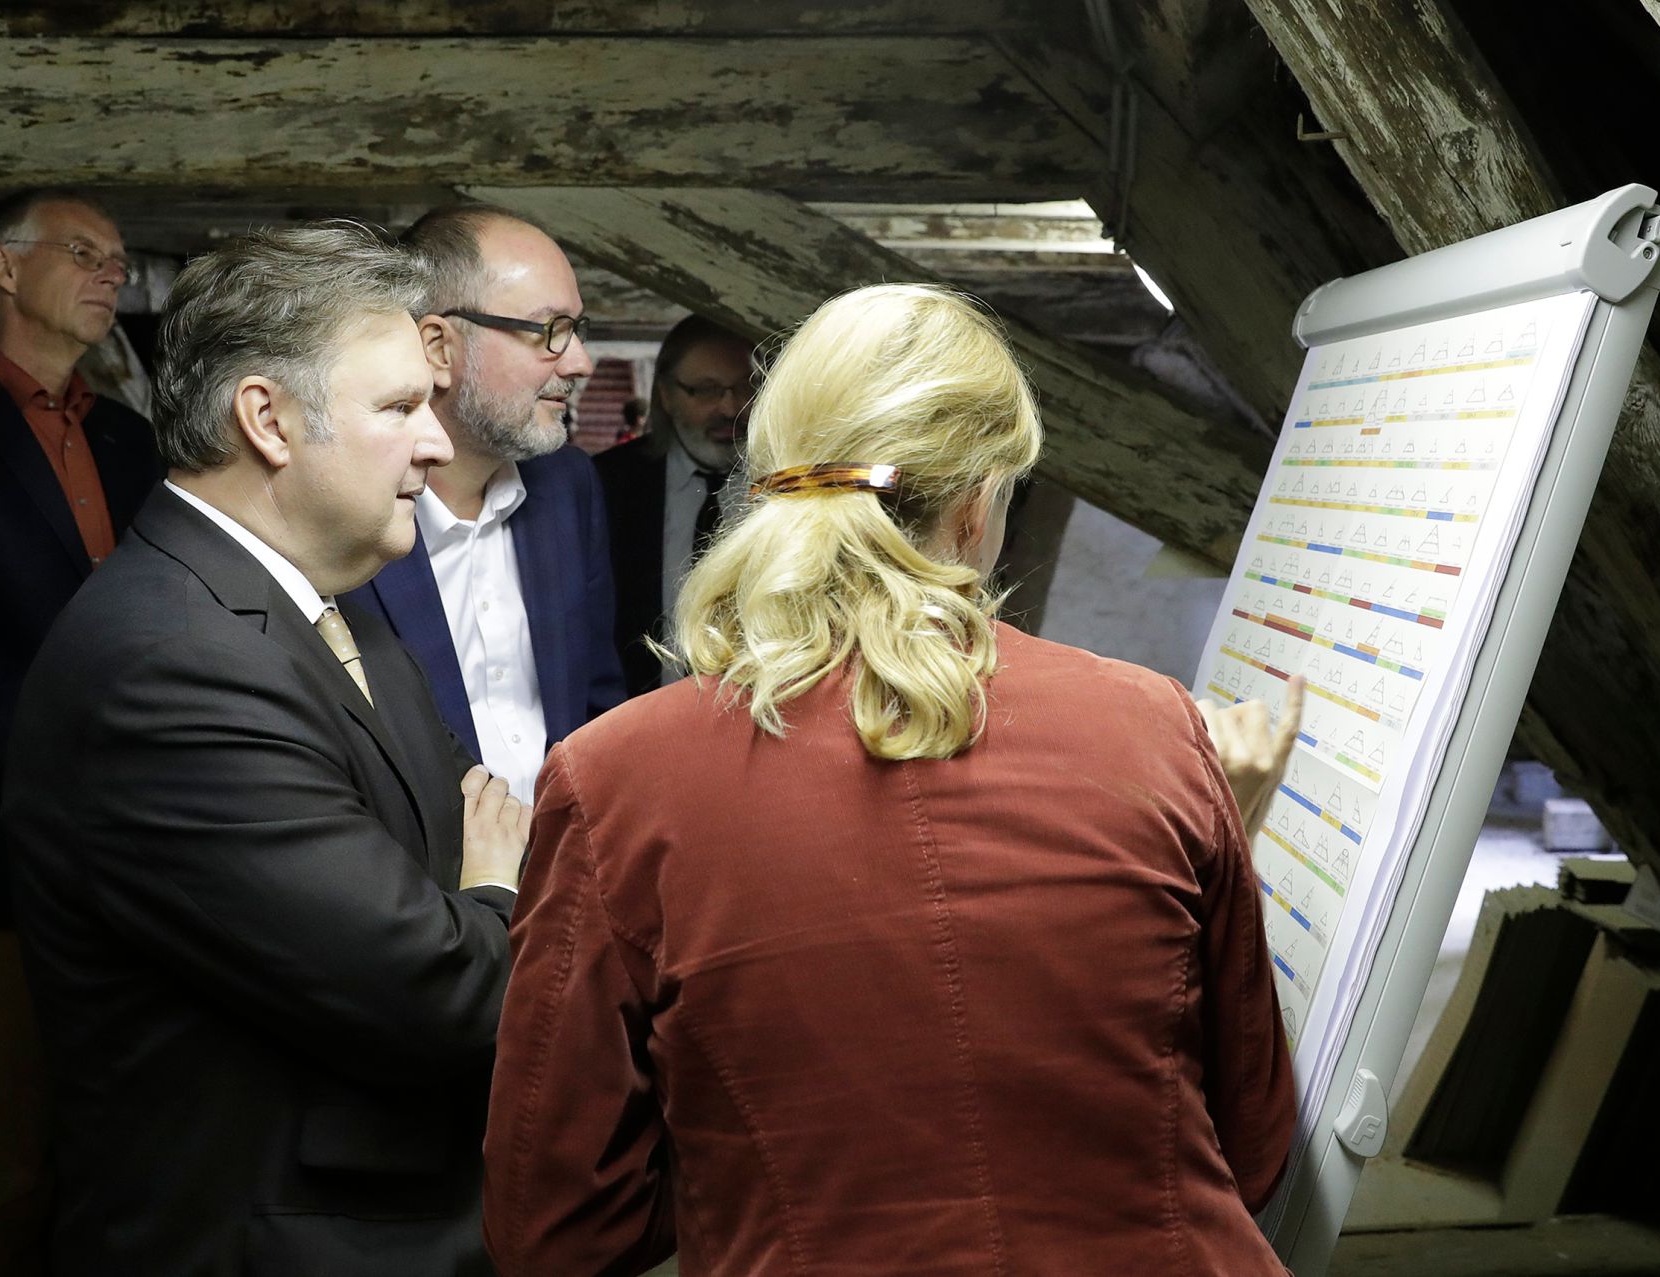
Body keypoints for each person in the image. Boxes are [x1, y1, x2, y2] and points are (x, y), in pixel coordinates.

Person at [484, 284, 1300, 1276]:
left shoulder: (613, 779)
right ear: (978, 501)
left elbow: (558, 1225)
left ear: (766, 482)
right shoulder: (1156, 727)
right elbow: (1251, 1146)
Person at [3, 222, 525, 1277]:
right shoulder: (166, 663)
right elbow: (445, 992)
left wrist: (466, 893)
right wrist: (501, 890)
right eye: (398, 406)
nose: (435, 441)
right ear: (268, 418)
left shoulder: (330, 603)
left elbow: (437, 865)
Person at [0, 187, 162, 1273]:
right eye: (83, 251)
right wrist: (84, 773)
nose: (109, 273)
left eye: (120, 259)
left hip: (133, 857)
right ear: (1, 266)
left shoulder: (127, 440)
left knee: (116, 1144)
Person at [344, 204, 624, 798]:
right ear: (439, 349)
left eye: (577, 330)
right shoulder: (345, 506)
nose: (580, 362)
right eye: (550, 330)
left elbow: (599, 702)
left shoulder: (569, 487)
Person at [592, 314, 755, 696]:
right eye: (706, 390)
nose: (730, 409)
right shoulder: (608, 484)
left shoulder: (792, 486)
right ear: (665, 395)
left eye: (745, 387)